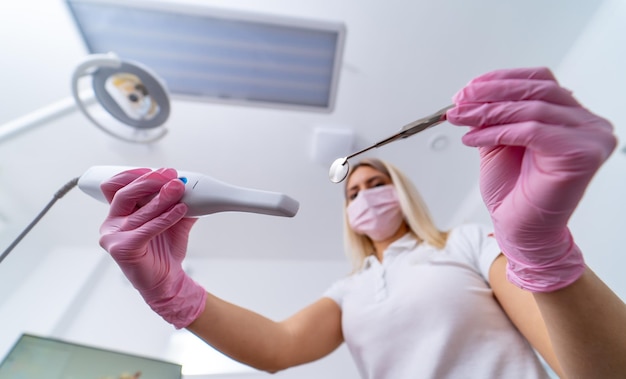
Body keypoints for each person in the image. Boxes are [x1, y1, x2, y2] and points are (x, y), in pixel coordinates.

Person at [97, 67, 626, 378]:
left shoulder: (466, 244)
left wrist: (542, 250)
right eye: (354, 191)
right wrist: (173, 293)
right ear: (347, 214)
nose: (367, 196)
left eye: (377, 184)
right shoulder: (348, 291)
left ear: (402, 192)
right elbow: (277, 348)